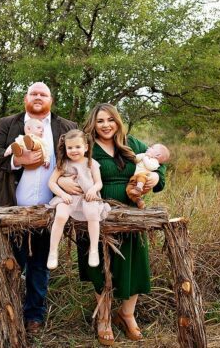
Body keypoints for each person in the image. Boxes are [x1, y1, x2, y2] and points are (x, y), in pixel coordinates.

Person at [58, 103, 165, 345]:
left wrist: (155, 177)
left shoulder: (132, 144)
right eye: (100, 121)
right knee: (100, 267)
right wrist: (63, 183)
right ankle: (104, 317)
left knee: (133, 264)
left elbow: (159, 165)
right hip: (94, 213)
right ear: (92, 124)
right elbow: (63, 166)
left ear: (118, 121)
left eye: (110, 120)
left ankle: (126, 315)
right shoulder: (87, 147)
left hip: (130, 215)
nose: (106, 125)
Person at [0, 82, 77, 334]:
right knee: (6, 264)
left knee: (39, 267)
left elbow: (78, 157)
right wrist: (18, 160)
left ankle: (33, 317)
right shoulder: (9, 123)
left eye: (43, 94)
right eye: (33, 93)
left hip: (49, 211)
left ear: (51, 99)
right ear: (26, 98)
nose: (38, 97)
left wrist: (72, 179)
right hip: (11, 209)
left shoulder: (67, 127)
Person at [47, 129, 110, 270]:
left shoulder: (91, 163)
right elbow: (51, 182)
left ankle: (93, 250)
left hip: (88, 198)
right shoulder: (63, 163)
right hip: (69, 198)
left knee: (93, 214)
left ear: (86, 147)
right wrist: (62, 195)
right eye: (70, 147)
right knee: (61, 214)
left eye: (77, 147)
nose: (73, 150)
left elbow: (99, 182)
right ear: (65, 148)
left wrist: (93, 190)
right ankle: (53, 251)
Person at [126, 143, 170, 208]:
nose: (148, 148)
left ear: (157, 155)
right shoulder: (145, 155)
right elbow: (136, 159)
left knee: (142, 176)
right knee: (129, 189)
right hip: (134, 178)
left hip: (143, 178)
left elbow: (149, 166)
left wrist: (145, 157)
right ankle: (139, 201)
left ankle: (139, 188)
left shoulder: (155, 162)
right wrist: (142, 155)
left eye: (151, 148)